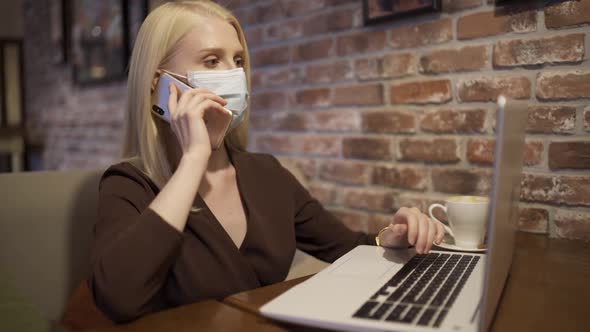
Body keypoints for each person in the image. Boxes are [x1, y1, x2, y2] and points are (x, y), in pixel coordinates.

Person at [87, 0, 445, 324]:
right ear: (160, 83)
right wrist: (194, 158)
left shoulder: (267, 173)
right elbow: (119, 298)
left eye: (238, 60)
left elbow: (346, 246)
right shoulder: (128, 184)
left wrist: (394, 237)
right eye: (212, 61)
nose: (234, 75)